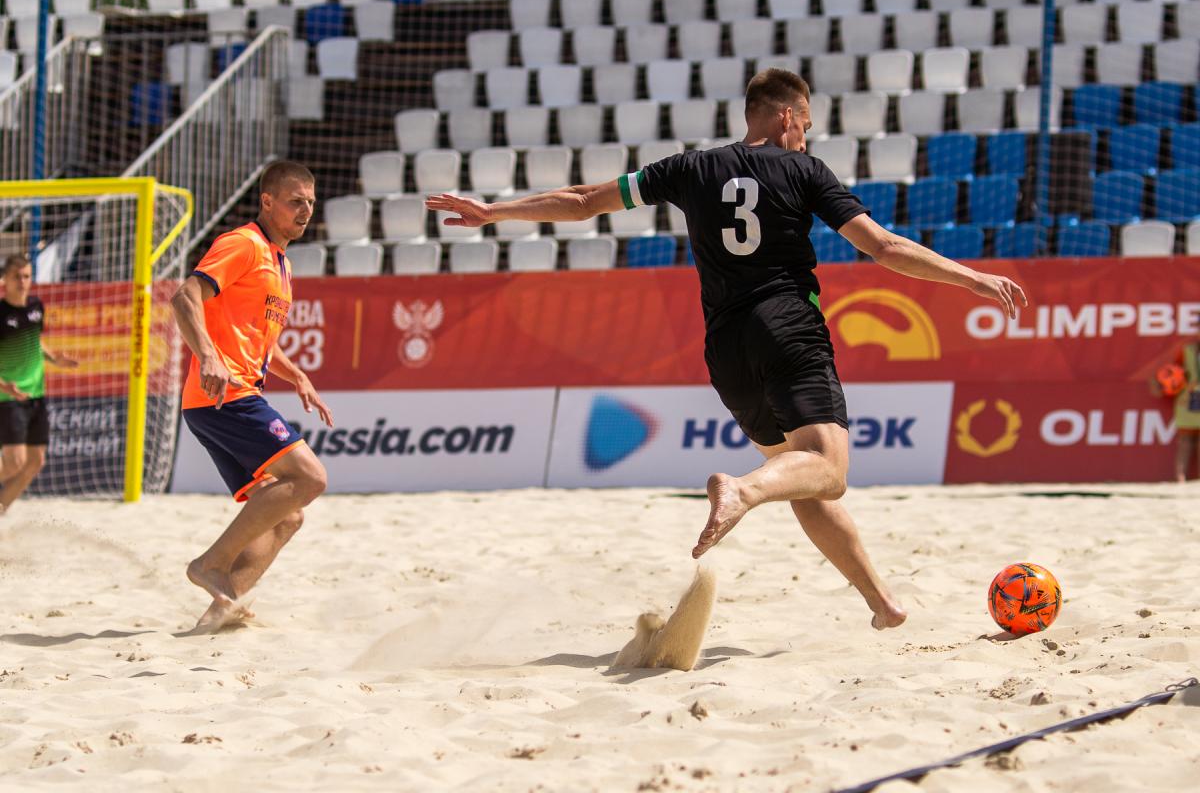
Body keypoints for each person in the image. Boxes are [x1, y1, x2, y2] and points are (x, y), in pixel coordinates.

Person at [427, 69, 1028, 631]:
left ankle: (882, 603)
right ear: (788, 116)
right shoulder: (806, 170)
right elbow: (883, 247)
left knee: (796, 475)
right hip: (788, 327)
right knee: (827, 471)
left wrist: (494, 212)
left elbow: (585, 201)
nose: (806, 135)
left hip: (725, 348)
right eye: (806, 123)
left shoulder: (690, 167)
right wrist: (972, 279)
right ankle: (741, 491)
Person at [171, 160, 333, 633]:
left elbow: (257, 337)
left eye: (310, 202)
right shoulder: (243, 243)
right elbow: (184, 297)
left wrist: (296, 374)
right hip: (224, 395)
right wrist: (208, 356)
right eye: (295, 201)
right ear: (267, 201)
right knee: (310, 477)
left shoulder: (282, 262)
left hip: (224, 398)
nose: (306, 210)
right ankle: (210, 564)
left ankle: (223, 606)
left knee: (288, 516)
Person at [0, 255, 79, 514]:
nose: (22, 281)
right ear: (5, 280)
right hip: (8, 397)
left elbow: (34, 341)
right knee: (14, 462)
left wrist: (54, 358)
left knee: (35, 461)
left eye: (26, 276)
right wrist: (4, 385)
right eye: (16, 276)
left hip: (36, 394)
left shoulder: (36, 307)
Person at [1156, 340, 1200, 482]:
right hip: (1187, 400)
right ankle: (1180, 477)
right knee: (1185, 441)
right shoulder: (1187, 351)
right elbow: (1172, 373)